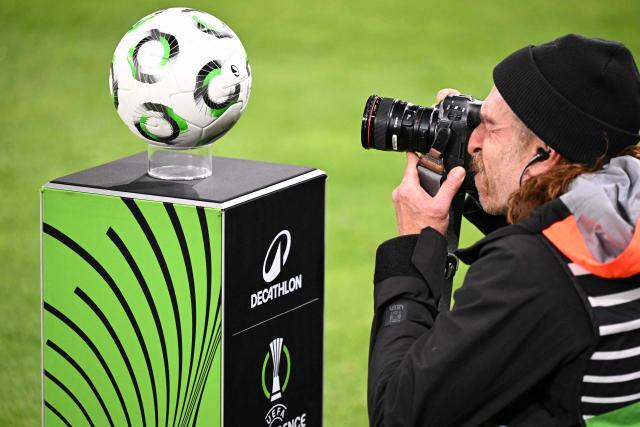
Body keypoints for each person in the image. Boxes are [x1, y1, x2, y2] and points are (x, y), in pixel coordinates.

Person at [367, 34, 640, 427]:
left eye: (490, 128)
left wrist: (415, 246)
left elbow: (399, 415)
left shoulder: (530, 272)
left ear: (546, 153)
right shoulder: (620, 209)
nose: (473, 141)